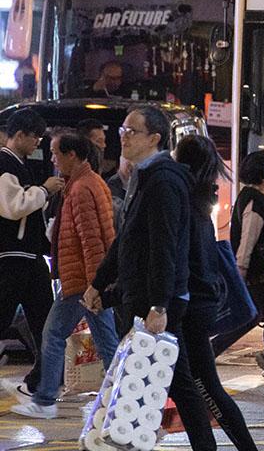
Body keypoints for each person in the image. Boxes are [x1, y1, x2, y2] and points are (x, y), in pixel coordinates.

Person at [82, 106, 222, 450]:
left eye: (131, 132)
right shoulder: (146, 176)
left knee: (174, 383)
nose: (123, 138)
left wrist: (160, 305)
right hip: (144, 296)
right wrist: (100, 283)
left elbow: (165, 247)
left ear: (154, 138)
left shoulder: (163, 180)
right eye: (122, 132)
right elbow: (128, 239)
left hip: (157, 301)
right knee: (162, 381)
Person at [12, 131, 117, 419]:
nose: (52, 159)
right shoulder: (85, 183)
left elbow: (91, 239)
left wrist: (95, 284)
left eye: (56, 153)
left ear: (72, 155)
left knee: (54, 333)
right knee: (107, 341)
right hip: (86, 279)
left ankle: (45, 400)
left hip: (82, 281)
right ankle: (120, 399)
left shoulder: (82, 188)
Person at [172, 135, 259, 451]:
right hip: (200, 302)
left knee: (201, 386)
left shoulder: (186, 201)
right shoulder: (201, 199)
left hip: (191, 306)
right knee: (202, 384)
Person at [0, 108, 61, 399]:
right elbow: (13, 207)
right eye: (35, 136)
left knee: (44, 321)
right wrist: (45, 191)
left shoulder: (19, 163)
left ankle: (43, 381)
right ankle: (44, 380)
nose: (38, 142)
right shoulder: (4, 163)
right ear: (20, 135)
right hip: (12, 256)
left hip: (29, 256)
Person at [212, 151, 264, 358]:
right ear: (262, 172)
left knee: (253, 315)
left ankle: (213, 349)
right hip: (256, 271)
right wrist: (240, 271)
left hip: (255, 271)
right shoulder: (254, 201)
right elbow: (248, 239)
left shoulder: (252, 197)